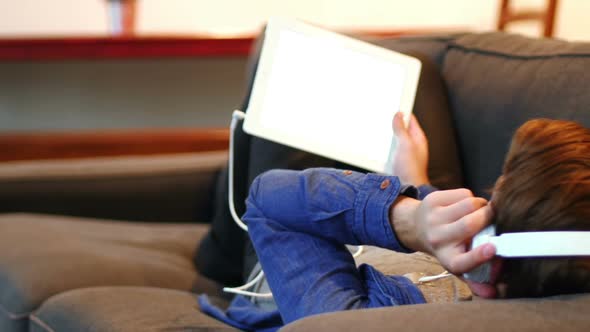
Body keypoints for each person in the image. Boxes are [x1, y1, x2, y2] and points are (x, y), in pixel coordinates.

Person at [199, 114, 589, 331]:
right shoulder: (512, 275)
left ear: (493, 255)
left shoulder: (366, 322)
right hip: (373, 214)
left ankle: (215, 253)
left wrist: (404, 219)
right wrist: (414, 183)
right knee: (418, 87)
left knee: (277, 92)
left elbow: (269, 201)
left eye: (491, 204)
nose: (482, 203)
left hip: (284, 253)